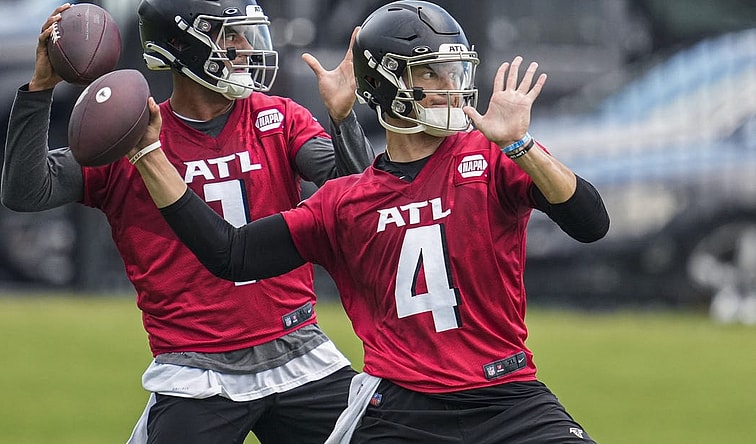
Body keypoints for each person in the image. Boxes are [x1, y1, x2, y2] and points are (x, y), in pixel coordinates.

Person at [127, 1, 610, 442]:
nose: (453, 87)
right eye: (433, 73)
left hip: (508, 396)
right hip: (399, 409)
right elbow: (230, 253)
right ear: (385, 83)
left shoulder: (493, 156)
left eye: (455, 70)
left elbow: (590, 222)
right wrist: (150, 155)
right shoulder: (345, 202)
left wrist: (520, 147)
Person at [1, 0, 376, 442]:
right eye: (229, 35)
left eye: (246, 34)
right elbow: (26, 191)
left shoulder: (279, 118)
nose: (245, 47)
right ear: (180, 45)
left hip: (297, 351)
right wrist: (41, 87)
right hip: (196, 370)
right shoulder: (129, 134)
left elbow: (359, 198)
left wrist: (342, 118)